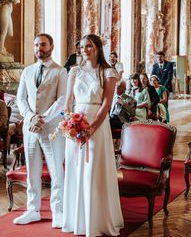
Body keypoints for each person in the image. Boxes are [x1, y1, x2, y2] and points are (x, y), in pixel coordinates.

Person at [62, 34, 123, 237]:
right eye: (82, 47)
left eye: (89, 46)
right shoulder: (75, 71)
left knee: (93, 170)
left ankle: (97, 220)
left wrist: (91, 128)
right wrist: (71, 123)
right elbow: (68, 100)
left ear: (97, 47)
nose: (85, 50)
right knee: (76, 167)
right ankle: (76, 219)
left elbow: (107, 104)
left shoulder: (108, 72)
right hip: (75, 125)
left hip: (97, 124)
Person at [14, 33, 67, 227]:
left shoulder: (60, 72)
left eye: (43, 45)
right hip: (30, 128)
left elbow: (62, 101)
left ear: (51, 47)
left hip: (52, 128)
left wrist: (43, 119)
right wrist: (30, 117)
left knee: (56, 171)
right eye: (36, 45)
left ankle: (58, 211)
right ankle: (32, 209)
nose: (39, 48)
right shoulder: (27, 71)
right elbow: (21, 99)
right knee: (32, 170)